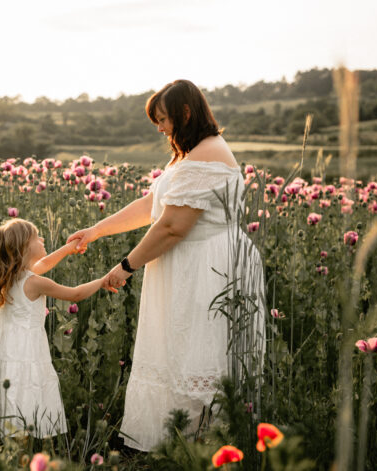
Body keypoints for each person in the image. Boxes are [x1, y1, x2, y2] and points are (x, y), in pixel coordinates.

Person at [68, 79, 266, 451]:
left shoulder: (206, 155)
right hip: (191, 263)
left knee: (198, 352)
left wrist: (126, 266)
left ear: (185, 114)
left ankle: (198, 443)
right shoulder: (192, 154)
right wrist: (95, 231)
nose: (159, 129)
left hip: (208, 268)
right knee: (178, 348)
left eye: (162, 119)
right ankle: (171, 438)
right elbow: (151, 206)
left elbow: (173, 227)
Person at [0, 218, 106, 437]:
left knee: (12, 386)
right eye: (36, 237)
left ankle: (10, 438)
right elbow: (76, 294)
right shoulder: (34, 282)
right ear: (23, 248)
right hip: (26, 348)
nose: (42, 239)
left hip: (7, 346)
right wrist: (104, 280)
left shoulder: (12, 276)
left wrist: (69, 248)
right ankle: (21, 441)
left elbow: (45, 263)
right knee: (26, 386)